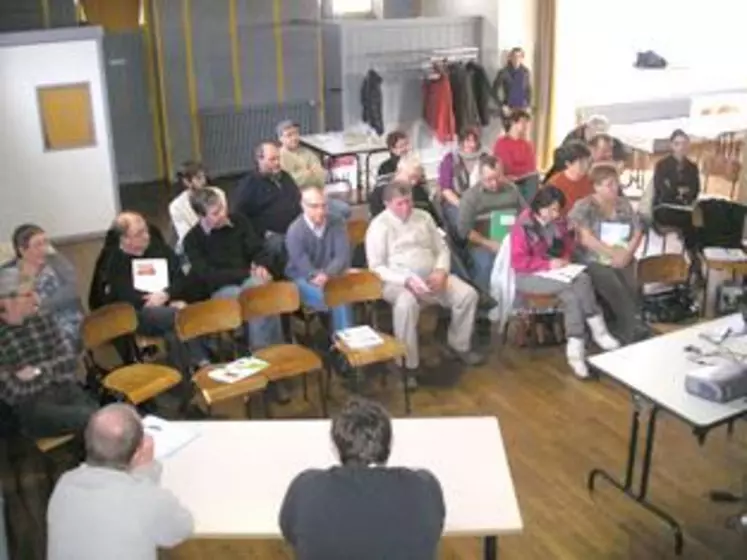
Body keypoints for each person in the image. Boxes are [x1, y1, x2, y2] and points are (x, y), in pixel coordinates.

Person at [279, 397, 445, 560]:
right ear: (388, 444)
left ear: (337, 446)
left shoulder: (306, 489)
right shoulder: (423, 488)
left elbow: (289, 533)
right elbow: (435, 530)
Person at [366, 182, 484, 385]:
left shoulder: (424, 217)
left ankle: (459, 345)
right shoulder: (379, 226)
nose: (406, 208)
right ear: (387, 204)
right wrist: (406, 280)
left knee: (467, 295)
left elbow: (442, 250)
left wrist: (441, 271)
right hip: (397, 282)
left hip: (431, 277)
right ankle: (407, 364)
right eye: (400, 204)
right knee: (406, 305)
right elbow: (376, 267)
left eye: (409, 201)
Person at [47, 404, 193, 560]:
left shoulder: (64, 484)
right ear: (137, 453)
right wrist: (146, 470)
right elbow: (181, 528)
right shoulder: (146, 498)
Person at [510, 186, 620, 378]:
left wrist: (567, 250)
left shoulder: (558, 222)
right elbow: (518, 262)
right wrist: (547, 264)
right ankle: (588, 341)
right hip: (528, 276)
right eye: (551, 209)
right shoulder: (522, 226)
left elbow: (566, 248)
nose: (555, 214)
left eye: (558, 209)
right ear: (539, 207)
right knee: (574, 287)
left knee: (579, 284)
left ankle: (586, 343)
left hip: (556, 273)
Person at [0, 267, 97, 438]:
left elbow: (70, 360)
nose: (36, 299)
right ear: (7, 301)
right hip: (30, 407)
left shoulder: (44, 318)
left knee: (106, 417)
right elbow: (13, 392)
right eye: (29, 294)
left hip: (64, 388)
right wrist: (53, 371)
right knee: (95, 421)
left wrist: (38, 371)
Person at [105, 212, 206, 369]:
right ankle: (203, 361)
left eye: (146, 230)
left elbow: (180, 278)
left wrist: (167, 294)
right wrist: (158, 302)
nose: (146, 236)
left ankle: (183, 379)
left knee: (172, 333)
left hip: (166, 304)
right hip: (138, 313)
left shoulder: (159, 249)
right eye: (139, 234)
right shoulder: (115, 262)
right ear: (125, 239)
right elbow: (124, 298)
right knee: (180, 315)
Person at [569, 164, 649, 344]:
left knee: (632, 276)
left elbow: (637, 231)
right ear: (596, 186)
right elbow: (585, 238)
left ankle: (632, 322)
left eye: (616, 183)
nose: (615, 188)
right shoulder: (584, 206)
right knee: (609, 279)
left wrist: (627, 253)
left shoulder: (623, 204)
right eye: (609, 184)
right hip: (592, 257)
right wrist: (612, 254)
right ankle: (631, 325)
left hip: (621, 254)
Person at [285, 185, 353, 333]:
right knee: (335, 296)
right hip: (302, 278)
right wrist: (316, 276)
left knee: (339, 294)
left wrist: (327, 274)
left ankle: (344, 344)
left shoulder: (337, 222)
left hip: (331, 275)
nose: (321, 211)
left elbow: (342, 256)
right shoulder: (295, 231)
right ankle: (342, 341)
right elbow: (302, 265)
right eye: (314, 206)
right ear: (303, 206)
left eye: (323, 206)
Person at [5, 224, 84, 351]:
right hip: (29, 329)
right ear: (22, 250)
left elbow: (73, 289)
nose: (44, 249)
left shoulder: (55, 261)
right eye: (38, 245)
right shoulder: (8, 273)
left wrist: (42, 302)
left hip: (65, 320)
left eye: (45, 243)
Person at [457, 155, 524, 293]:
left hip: (509, 240)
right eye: (489, 180)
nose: (494, 183)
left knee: (524, 262)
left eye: (497, 177)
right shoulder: (470, 197)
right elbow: (464, 231)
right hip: (482, 244)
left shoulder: (512, 190)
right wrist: (488, 243)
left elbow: (525, 216)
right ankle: (485, 306)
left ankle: (515, 307)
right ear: (480, 176)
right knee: (486, 265)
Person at [232, 141, 302, 260]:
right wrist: (262, 233)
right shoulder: (248, 185)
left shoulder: (285, 177)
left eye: (278, 158)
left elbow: (298, 199)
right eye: (272, 159)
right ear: (260, 160)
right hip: (270, 235)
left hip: (296, 228)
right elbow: (239, 217)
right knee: (280, 244)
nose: (277, 163)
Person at [652, 129, 702, 281]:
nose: (681, 147)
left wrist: (679, 191)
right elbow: (662, 190)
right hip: (664, 207)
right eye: (677, 144)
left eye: (684, 144)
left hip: (684, 207)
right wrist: (679, 192)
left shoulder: (692, 167)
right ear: (672, 146)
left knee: (700, 217)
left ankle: (695, 256)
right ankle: (694, 257)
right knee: (690, 221)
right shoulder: (662, 165)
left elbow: (695, 189)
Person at [277, 120, 351, 221]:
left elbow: (321, 176)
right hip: (299, 200)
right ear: (281, 139)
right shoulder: (280, 156)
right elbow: (291, 182)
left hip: (319, 194)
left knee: (345, 210)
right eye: (289, 135)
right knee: (336, 216)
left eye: (296, 133)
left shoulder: (307, 152)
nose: (294, 138)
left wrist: (304, 174)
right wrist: (309, 173)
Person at [168, 161, 227, 248]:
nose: (204, 181)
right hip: (194, 245)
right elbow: (185, 236)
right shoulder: (176, 206)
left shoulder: (218, 193)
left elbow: (223, 221)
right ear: (187, 182)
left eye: (204, 177)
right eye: (199, 178)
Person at [438, 127, 484, 228]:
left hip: (481, 198)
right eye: (468, 140)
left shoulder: (484, 157)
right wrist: (463, 205)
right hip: (456, 200)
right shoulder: (450, 159)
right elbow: (446, 190)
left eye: (474, 141)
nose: (472, 145)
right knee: (463, 220)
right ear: (461, 141)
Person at [492, 110, 539, 202]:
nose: (526, 126)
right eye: (523, 122)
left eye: (527, 123)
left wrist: (520, 173)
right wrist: (518, 172)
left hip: (525, 180)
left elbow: (531, 167)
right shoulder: (502, 143)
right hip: (507, 180)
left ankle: (528, 212)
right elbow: (507, 167)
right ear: (513, 123)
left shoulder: (527, 144)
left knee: (534, 178)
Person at [545, 140, 594, 216]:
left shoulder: (591, 180)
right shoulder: (554, 184)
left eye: (587, 161)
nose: (586, 166)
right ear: (568, 164)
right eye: (581, 163)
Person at [493, 47, 532, 127]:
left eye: (519, 57)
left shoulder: (525, 72)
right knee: (510, 133)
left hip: (522, 108)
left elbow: (528, 90)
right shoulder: (503, 72)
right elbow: (494, 91)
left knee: (522, 134)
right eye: (514, 56)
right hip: (509, 108)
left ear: (522, 58)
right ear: (510, 57)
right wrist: (502, 106)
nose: (516, 59)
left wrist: (528, 105)